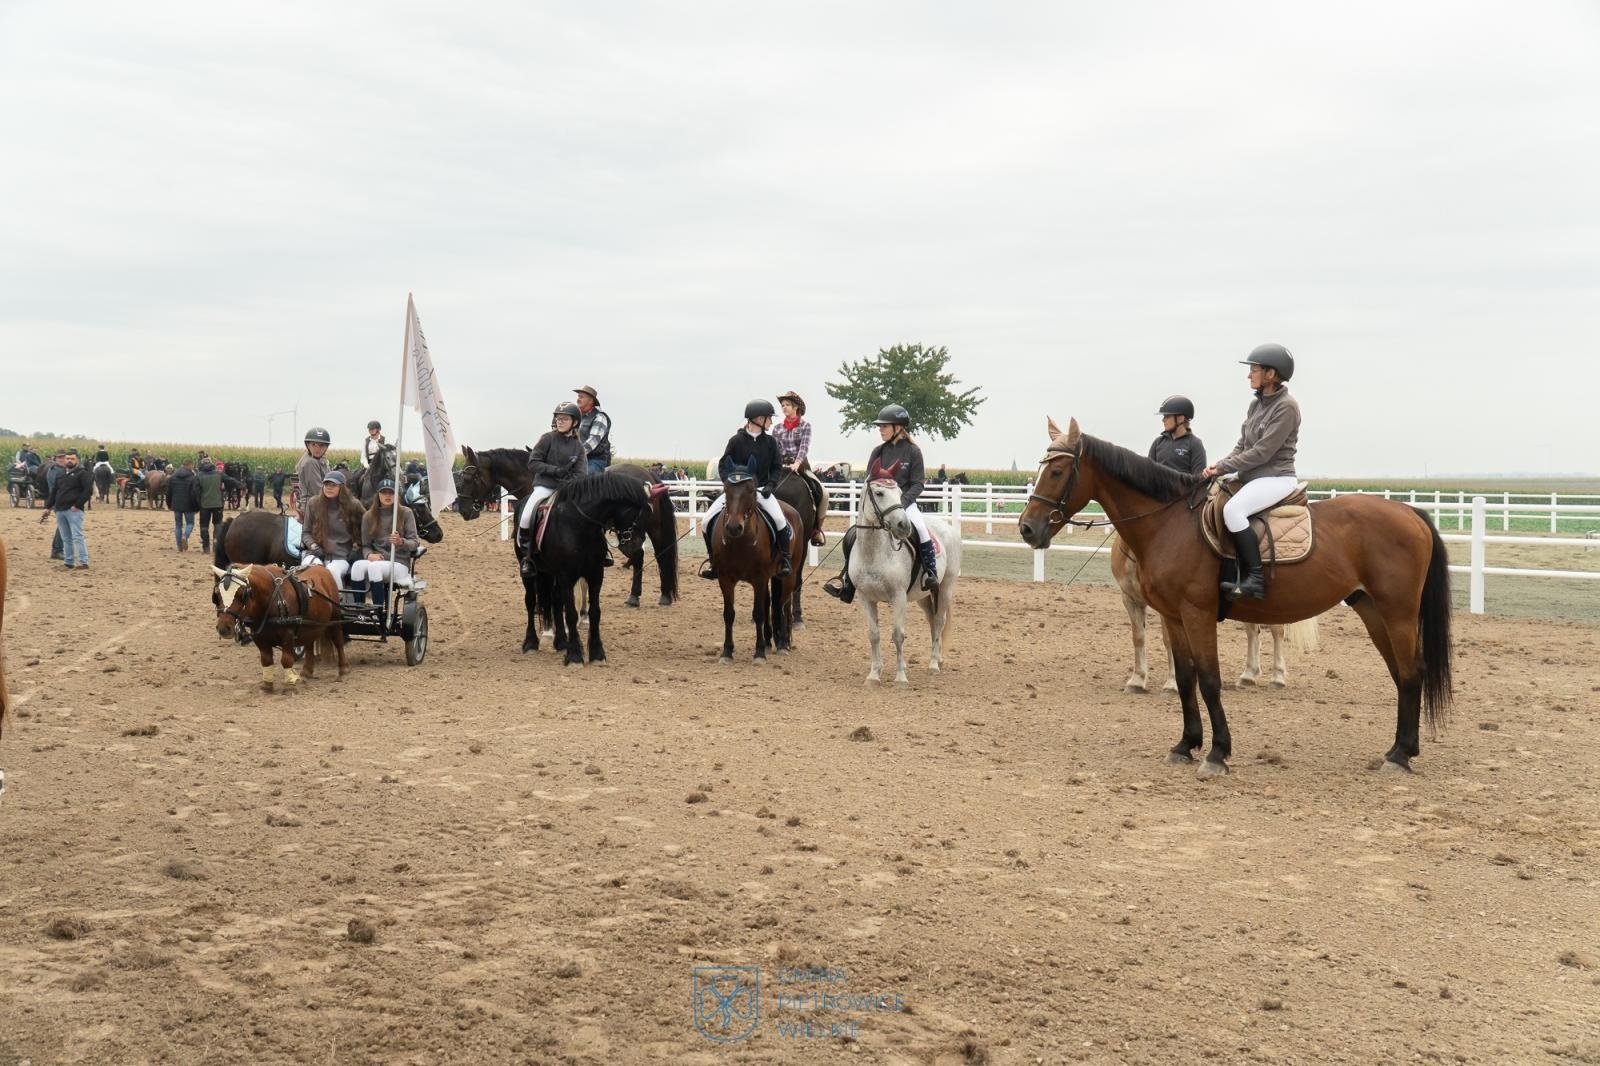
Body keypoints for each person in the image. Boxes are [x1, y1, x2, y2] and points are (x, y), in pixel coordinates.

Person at [1202, 343, 1302, 601]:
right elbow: (1242, 445)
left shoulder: (1286, 406)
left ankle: (1255, 578)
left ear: (1271, 374)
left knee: (1233, 510)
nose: (1249, 375)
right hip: (1251, 476)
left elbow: (1262, 452)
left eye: (1254, 370)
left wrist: (1224, 467)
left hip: (1276, 477)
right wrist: (1218, 466)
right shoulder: (1255, 406)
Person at [824, 404, 937, 602]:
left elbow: (918, 483)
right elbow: (869, 481)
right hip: (880, 507)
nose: (880, 430)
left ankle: (930, 573)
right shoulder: (878, 451)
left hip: (904, 504)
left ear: (898, 428)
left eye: (884, 426)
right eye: (880, 427)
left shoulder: (913, 452)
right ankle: (848, 582)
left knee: (920, 529)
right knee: (853, 535)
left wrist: (901, 502)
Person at [700, 400, 793, 579]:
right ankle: (713, 561)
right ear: (759, 419)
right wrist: (729, 484)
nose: (771, 422)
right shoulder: (735, 441)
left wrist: (771, 486)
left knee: (780, 520)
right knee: (705, 521)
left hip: (761, 490)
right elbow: (723, 465)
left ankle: (785, 560)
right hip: (736, 493)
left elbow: (776, 467)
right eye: (768, 419)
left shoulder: (771, 442)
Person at [514, 402, 587, 566]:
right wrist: (555, 471)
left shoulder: (578, 447)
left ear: (574, 422)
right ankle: (527, 555)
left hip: (568, 489)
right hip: (545, 486)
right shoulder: (547, 438)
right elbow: (533, 463)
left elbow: (581, 473)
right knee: (526, 516)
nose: (560, 421)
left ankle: (599, 551)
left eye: (564, 419)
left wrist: (569, 482)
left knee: (588, 513)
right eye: (558, 418)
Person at [351, 480, 420, 607]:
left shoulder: (406, 513)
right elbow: (366, 545)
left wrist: (401, 542)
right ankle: (359, 607)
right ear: (378, 495)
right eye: (384, 492)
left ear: (396, 495)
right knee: (357, 566)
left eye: (391, 492)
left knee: (374, 567)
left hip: (398, 562)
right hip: (378, 559)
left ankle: (379, 610)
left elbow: (414, 542)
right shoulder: (368, 516)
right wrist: (369, 555)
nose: (387, 496)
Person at [772, 390, 828, 547]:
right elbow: (775, 449)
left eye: (787, 405)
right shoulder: (777, 428)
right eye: (782, 405)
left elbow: (804, 447)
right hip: (781, 465)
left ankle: (816, 529)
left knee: (823, 493)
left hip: (801, 465)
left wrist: (796, 463)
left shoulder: (805, 426)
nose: (784, 407)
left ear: (796, 407)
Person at [300, 470, 365, 592]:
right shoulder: (313, 503)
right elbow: (306, 532)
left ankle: (337, 603)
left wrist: (357, 547)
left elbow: (366, 529)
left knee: (331, 572)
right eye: (326, 484)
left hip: (341, 557)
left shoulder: (354, 505)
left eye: (333, 485)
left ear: (342, 487)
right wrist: (313, 546)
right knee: (306, 571)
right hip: (317, 553)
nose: (329, 488)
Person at [41, 449, 93, 569]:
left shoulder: (83, 473)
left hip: (73, 510)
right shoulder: (61, 474)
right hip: (60, 510)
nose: (69, 460)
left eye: (72, 459)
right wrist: (47, 507)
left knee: (77, 536)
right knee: (66, 538)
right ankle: (68, 562)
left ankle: (83, 562)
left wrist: (77, 505)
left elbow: (87, 491)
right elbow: (54, 492)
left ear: (77, 460)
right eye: (67, 458)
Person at [1149, 396, 1207, 476]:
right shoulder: (1157, 442)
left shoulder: (1195, 444)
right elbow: (1149, 472)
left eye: (1167, 416)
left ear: (1180, 418)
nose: (1163, 420)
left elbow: (1198, 478)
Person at [572, 385, 613, 475]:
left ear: (591, 400)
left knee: (581, 479)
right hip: (578, 458)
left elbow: (592, 441)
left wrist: (575, 455)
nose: (578, 399)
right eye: (578, 396)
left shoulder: (599, 417)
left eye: (581, 397)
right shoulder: (577, 418)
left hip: (595, 460)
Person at [167, 458, 200, 551]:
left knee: (178, 525)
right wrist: (197, 506)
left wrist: (169, 504)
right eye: (192, 465)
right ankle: (185, 536)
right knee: (190, 523)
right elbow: (195, 493)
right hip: (188, 505)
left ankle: (179, 546)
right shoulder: (193, 478)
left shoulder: (173, 477)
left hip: (176, 505)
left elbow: (168, 492)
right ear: (189, 465)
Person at [295, 427, 332, 511]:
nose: (317, 449)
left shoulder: (322, 460)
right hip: (313, 506)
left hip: (320, 502)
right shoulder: (310, 462)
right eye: (314, 445)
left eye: (321, 445)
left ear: (326, 447)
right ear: (308, 445)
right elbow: (318, 489)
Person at [196, 459, 225, 551]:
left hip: (204, 505)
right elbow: (230, 480)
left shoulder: (199, 475)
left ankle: (206, 547)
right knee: (218, 523)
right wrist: (241, 485)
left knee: (204, 526)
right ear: (211, 464)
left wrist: (197, 503)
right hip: (218, 504)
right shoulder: (219, 474)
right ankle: (216, 540)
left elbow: (195, 491)